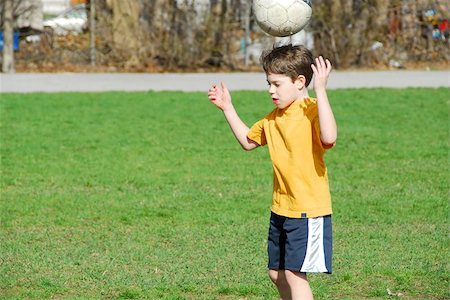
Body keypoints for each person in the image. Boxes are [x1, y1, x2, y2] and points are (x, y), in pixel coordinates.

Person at [207, 44, 337, 300]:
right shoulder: (273, 118)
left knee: (294, 274)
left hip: (308, 210)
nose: (270, 90)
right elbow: (247, 141)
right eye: (269, 83)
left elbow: (329, 136)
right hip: (280, 208)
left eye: (277, 84)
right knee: (276, 274)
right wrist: (227, 108)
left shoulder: (311, 111)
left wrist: (320, 91)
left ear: (300, 82)